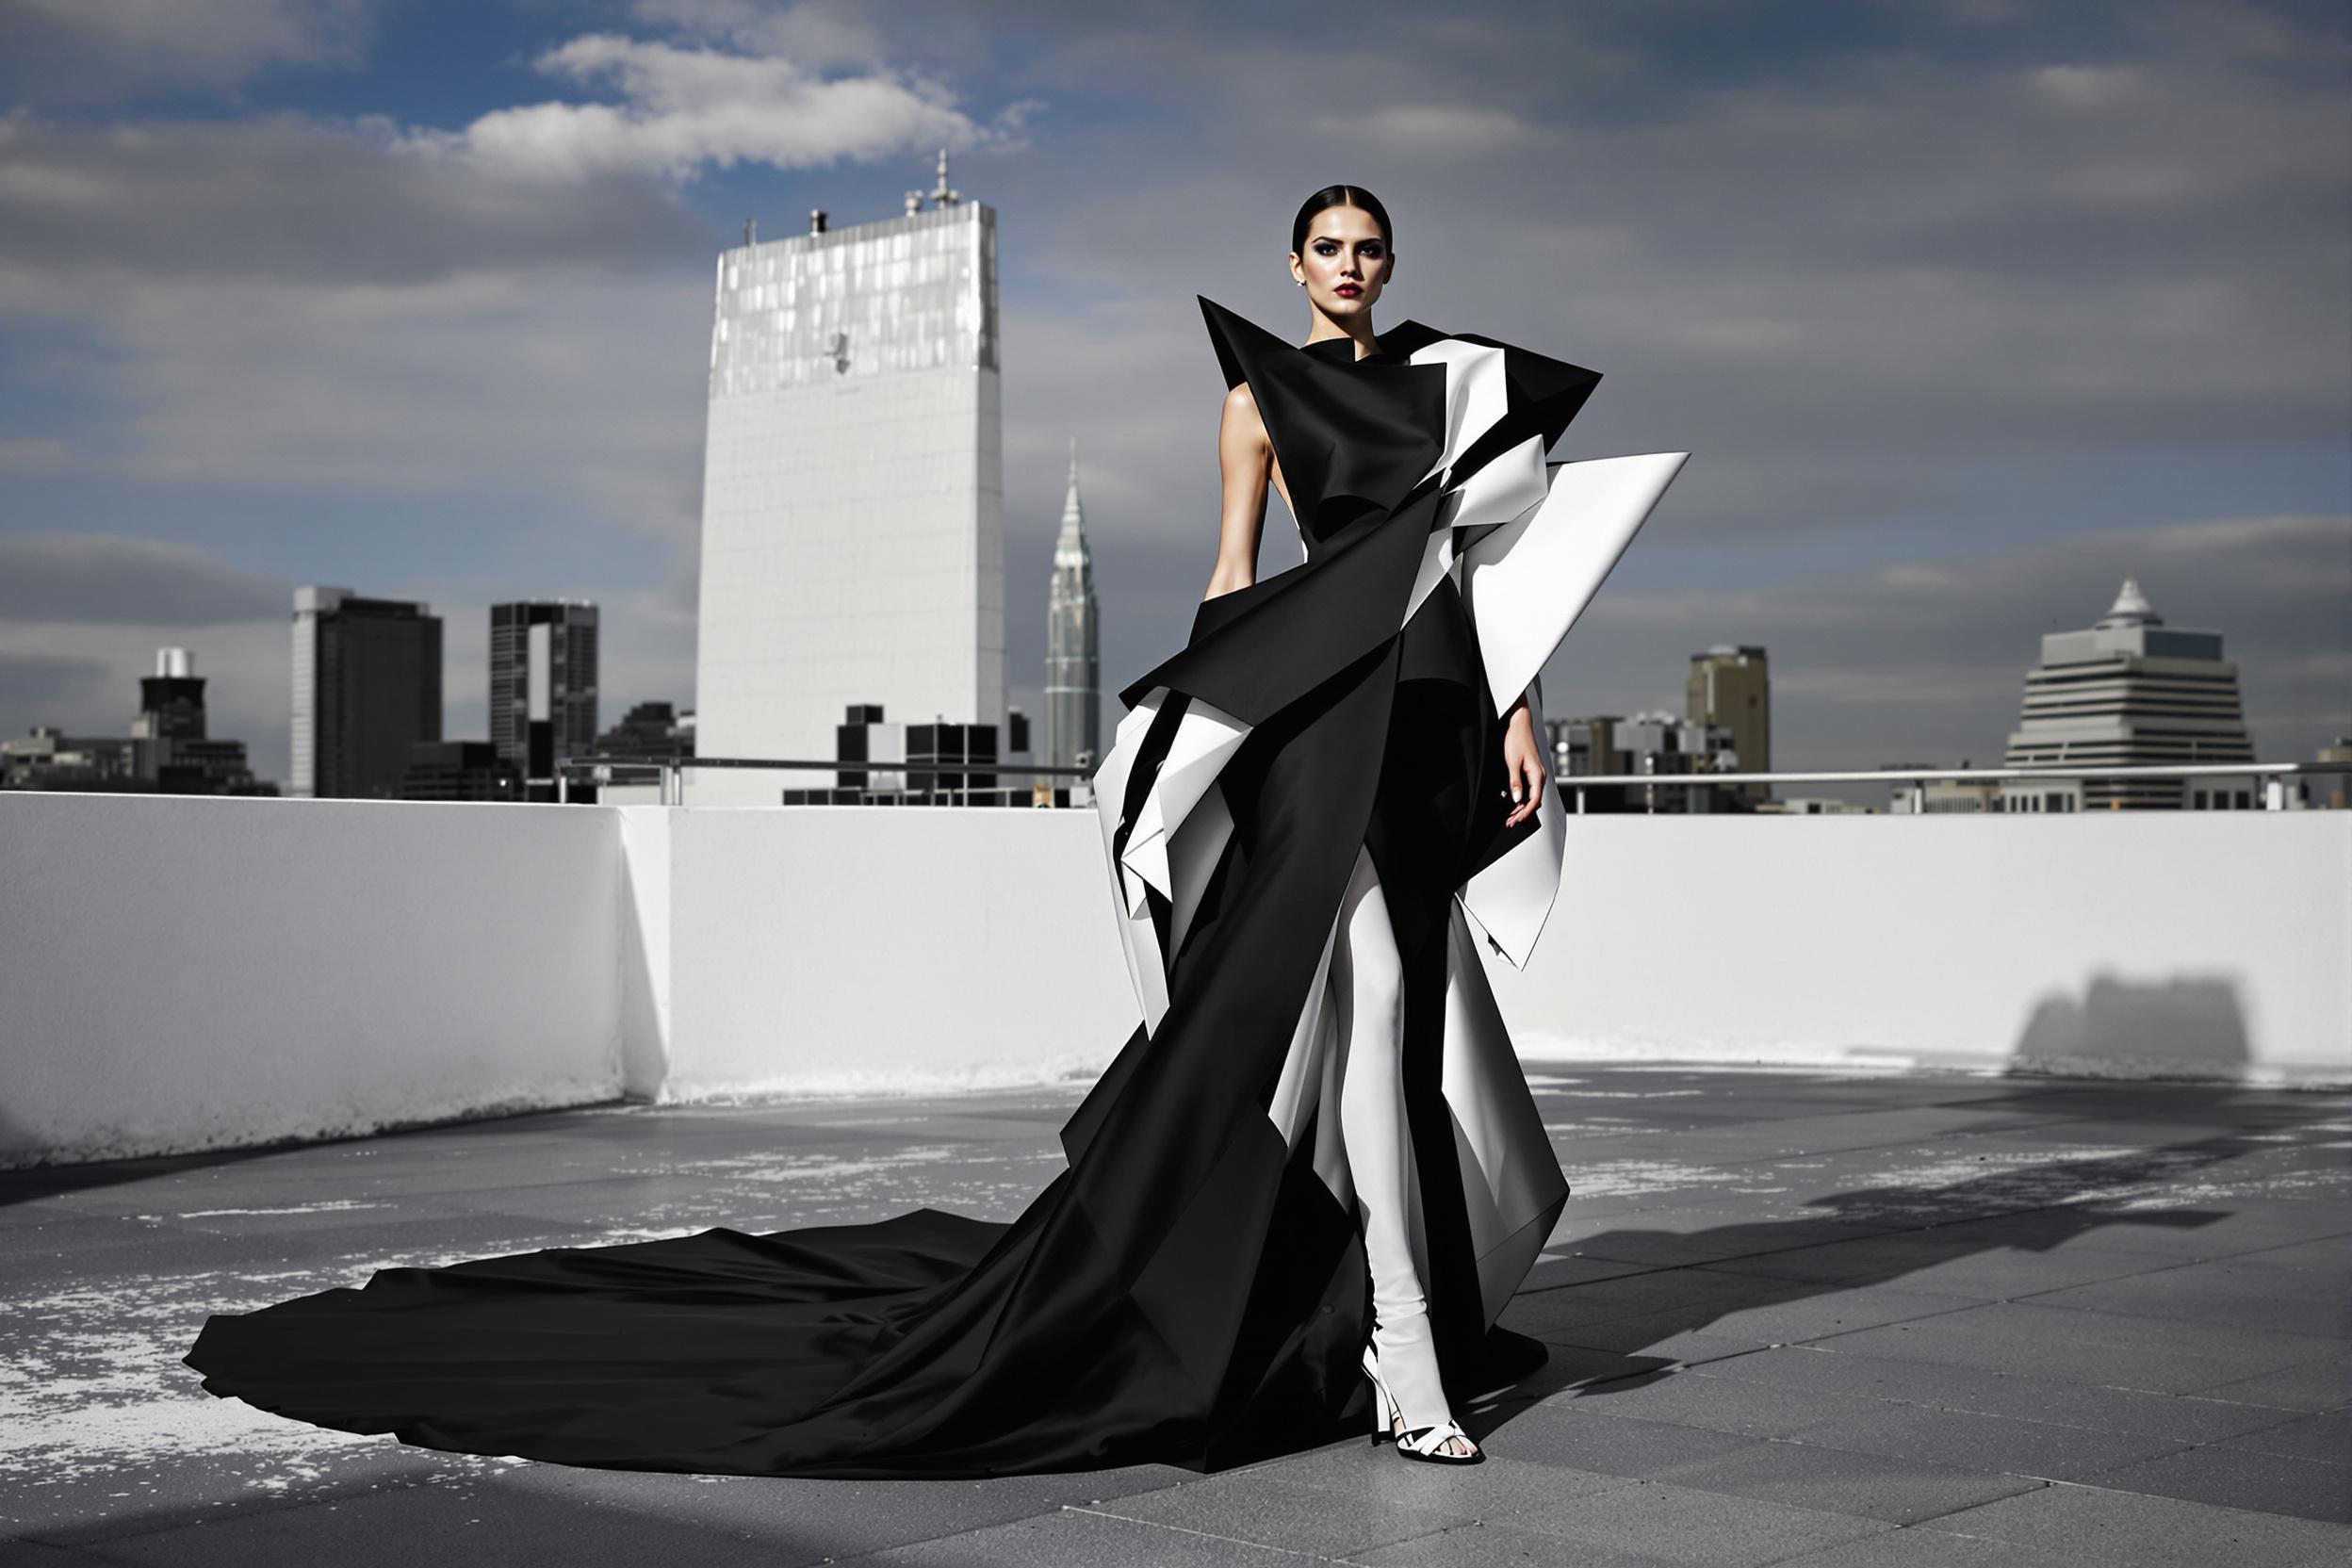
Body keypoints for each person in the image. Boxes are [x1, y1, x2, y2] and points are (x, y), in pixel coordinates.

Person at [183, 185, 1686, 1479]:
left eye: (1371, 246)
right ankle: (1403, 1352)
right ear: (1295, 268)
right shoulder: (1258, 402)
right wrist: (1188, 741)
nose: (1352, 266)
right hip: (1315, 720)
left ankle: (1372, 1317)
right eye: (1329, 247)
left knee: (1403, 1020)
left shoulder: (1443, 389)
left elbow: (1489, 579)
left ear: (1388, 265)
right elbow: (1237, 584)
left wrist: (1517, 716)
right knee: (1361, 1014)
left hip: (1425, 723)